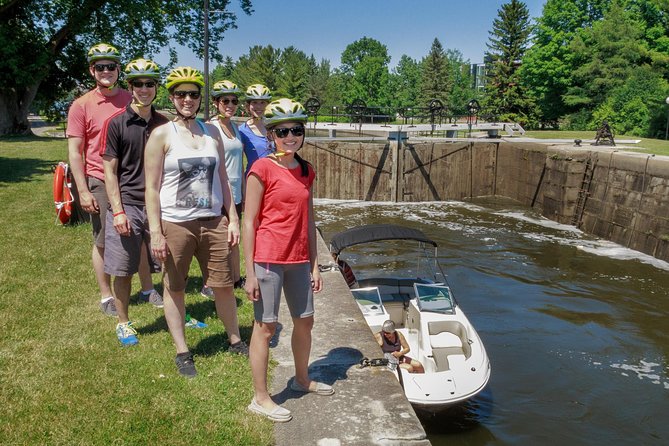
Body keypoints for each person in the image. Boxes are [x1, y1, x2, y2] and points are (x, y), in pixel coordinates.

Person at [144, 67, 247, 378]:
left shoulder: (211, 132)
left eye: (192, 94)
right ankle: (182, 351)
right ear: (172, 98)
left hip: (213, 221)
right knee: (175, 287)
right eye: (180, 94)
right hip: (176, 223)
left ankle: (235, 339)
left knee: (224, 285)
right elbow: (151, 187)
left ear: (200, 98)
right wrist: (156, 232)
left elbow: (224, 181)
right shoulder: (161, 134)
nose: (187, 99)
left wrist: (233, 218)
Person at [244, 98, 333, 423]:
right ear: (272, 135)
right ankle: (261, 398)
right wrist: (250, 272)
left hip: (298, 260)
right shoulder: (261, 168)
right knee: (266, 327)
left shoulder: (306, 170)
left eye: (296, 130)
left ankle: (301, 378)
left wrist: (314, 263)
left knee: (305, 321)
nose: (290, 136)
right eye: (283, 131)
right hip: (268, 259)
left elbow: (308, 219)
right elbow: (249, 221)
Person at [67, 43, 162, 317]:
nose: (106, 71)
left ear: (119, 70)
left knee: (141, 237)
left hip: (136, 178)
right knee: (103, 240)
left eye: (111, 66)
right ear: (92, 70)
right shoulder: (81, 105)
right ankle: (106, 295)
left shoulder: (131, 97)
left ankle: (147, 289)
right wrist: (83, 190)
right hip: (100, 177)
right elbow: (75, 151)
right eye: (100, 66)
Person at [102, 58, 169, 346]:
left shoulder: (164, 123)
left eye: (150, 84)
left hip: (160, 204)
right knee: (123, 268)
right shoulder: (116, 123)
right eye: (139, 84)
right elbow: (109, 170)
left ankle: (174, 313)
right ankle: (123, 322)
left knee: (170, 263)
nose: (144, 89)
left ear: (156, 88)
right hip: (128, 203)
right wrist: (117, 210)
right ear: (129, 87)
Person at [199, 80, 246, 299]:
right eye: (225, 100)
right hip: (219, 192)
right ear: (216, 102)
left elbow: (239, 161)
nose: (230, 104)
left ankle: (236, 279)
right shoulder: (210, 127)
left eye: (234, 101)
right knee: (217, 241)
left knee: (234, 239)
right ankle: (209, 283)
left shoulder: (235, 126)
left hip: (236, 191)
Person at [238, 83, 271, 174]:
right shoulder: (242, 131)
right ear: (248, 105)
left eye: (262, 102)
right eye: (255, 102)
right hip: (254, 179)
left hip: (275, 179)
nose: (259, 106)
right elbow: (239, 164)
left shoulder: (275, 126)